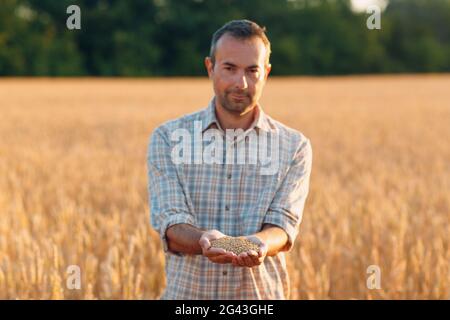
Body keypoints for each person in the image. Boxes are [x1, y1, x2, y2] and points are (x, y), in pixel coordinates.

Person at [147, 19, 312, 299]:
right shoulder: (168, 138)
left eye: (252, 70)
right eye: (230, 68)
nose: (241, 83)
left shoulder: (294, 146)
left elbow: (283, 226)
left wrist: (256, 243)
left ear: (266, 73)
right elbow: (171, 223)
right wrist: (204, 240)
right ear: (210, 67)